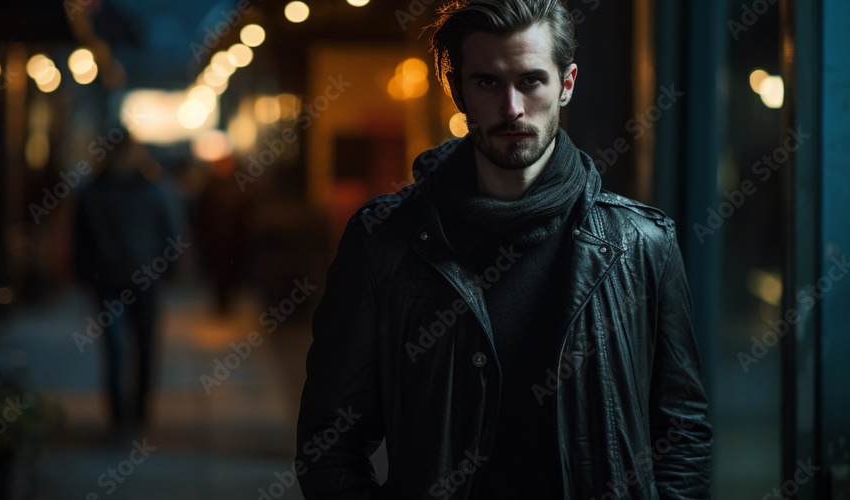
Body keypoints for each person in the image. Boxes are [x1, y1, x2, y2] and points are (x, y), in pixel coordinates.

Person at [295, 1, 712, 498]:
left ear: (567, 84)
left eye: (532, 80)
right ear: (457, 91)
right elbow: (330, 441)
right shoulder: (385, 241)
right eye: (488, 82)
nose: (512, 108)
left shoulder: (641, 244)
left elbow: (682, 431)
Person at [73, 132, 181, 432]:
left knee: (131, 348)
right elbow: (81, 239)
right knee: (126, 348)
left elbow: (169, 232)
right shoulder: (142, 190)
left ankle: (131, 413)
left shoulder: (105, 191)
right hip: (121, 280)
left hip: (129, 280)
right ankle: (126, 414)